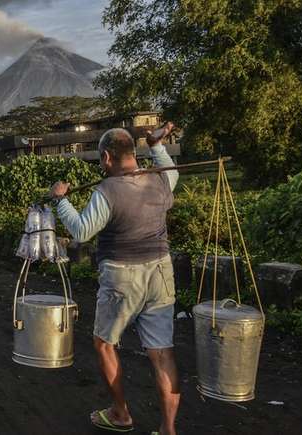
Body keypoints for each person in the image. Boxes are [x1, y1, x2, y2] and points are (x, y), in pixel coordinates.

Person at [50, 123, 180, 435]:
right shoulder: (161, 179)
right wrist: (156, 145)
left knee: (105, 343)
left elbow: (81, 231)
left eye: (100, 160)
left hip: (122, 276)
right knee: (161, 351)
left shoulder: (107, 191)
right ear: (133, 154)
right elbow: (169, 167)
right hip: (161, 271)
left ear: (107, 157)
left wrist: (60, 201)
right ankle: (169, 429)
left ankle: (121, 413)